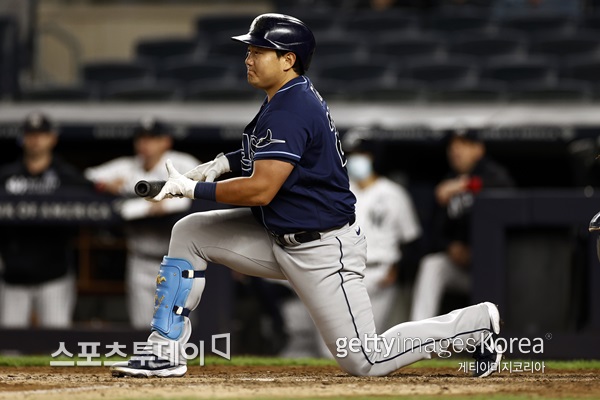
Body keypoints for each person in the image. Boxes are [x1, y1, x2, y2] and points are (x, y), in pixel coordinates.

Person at [110, 13, 502, 379]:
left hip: (322, 249)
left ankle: (476, 325)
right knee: (190, 232)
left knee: (365, 359)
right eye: (250, 50)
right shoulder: (283, 97)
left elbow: (261, 189)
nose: (248, 59)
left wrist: (194, 189)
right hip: (277, 235)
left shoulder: (292, 107)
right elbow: (262, 152)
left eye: (258, 51)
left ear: (288, 60)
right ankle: (164, 350)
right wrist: (223, 163)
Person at [275, 130, 423, 358]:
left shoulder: (394, 194)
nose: (355, 159)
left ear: (374, 157)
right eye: (351, 154)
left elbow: (413, 241)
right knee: (331, 350)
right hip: (338, 272)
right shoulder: (336, 190)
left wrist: (399, 269)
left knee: (369, 347)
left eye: (361, 153)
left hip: (379, 275)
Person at [84, 117, 200, 329]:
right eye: (141, 138)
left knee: (178, 327)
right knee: (142, 328)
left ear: (166, 141)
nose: (145, 144)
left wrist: (163, 204)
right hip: (140, 258)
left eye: (152, 138)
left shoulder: (182, 163)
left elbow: (197, 192)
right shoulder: (127, 166)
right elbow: (89, 176)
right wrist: (105, 186)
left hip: (176, 261)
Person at [0, 111, 94, 328]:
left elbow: (94, 204)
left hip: (55, 274)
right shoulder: (6, 176)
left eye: (41, 134)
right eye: (30, 134)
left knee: (57, 340)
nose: (35, 140)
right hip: (13, 274)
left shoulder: (67, 176)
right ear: (22, 138)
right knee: (9, 343)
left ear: (52, 138)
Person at [410, 128, 515, 321]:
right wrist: (450, 247)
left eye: (463, 145)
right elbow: (435, 232)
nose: (455, 150)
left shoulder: (493, 174)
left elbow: (504, 189)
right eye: (452, 146)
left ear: (479, 149)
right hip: (465, 270)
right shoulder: (447, 181)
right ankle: (418, 332)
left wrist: (463, 185)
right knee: (432, 265)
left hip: (495, 270)